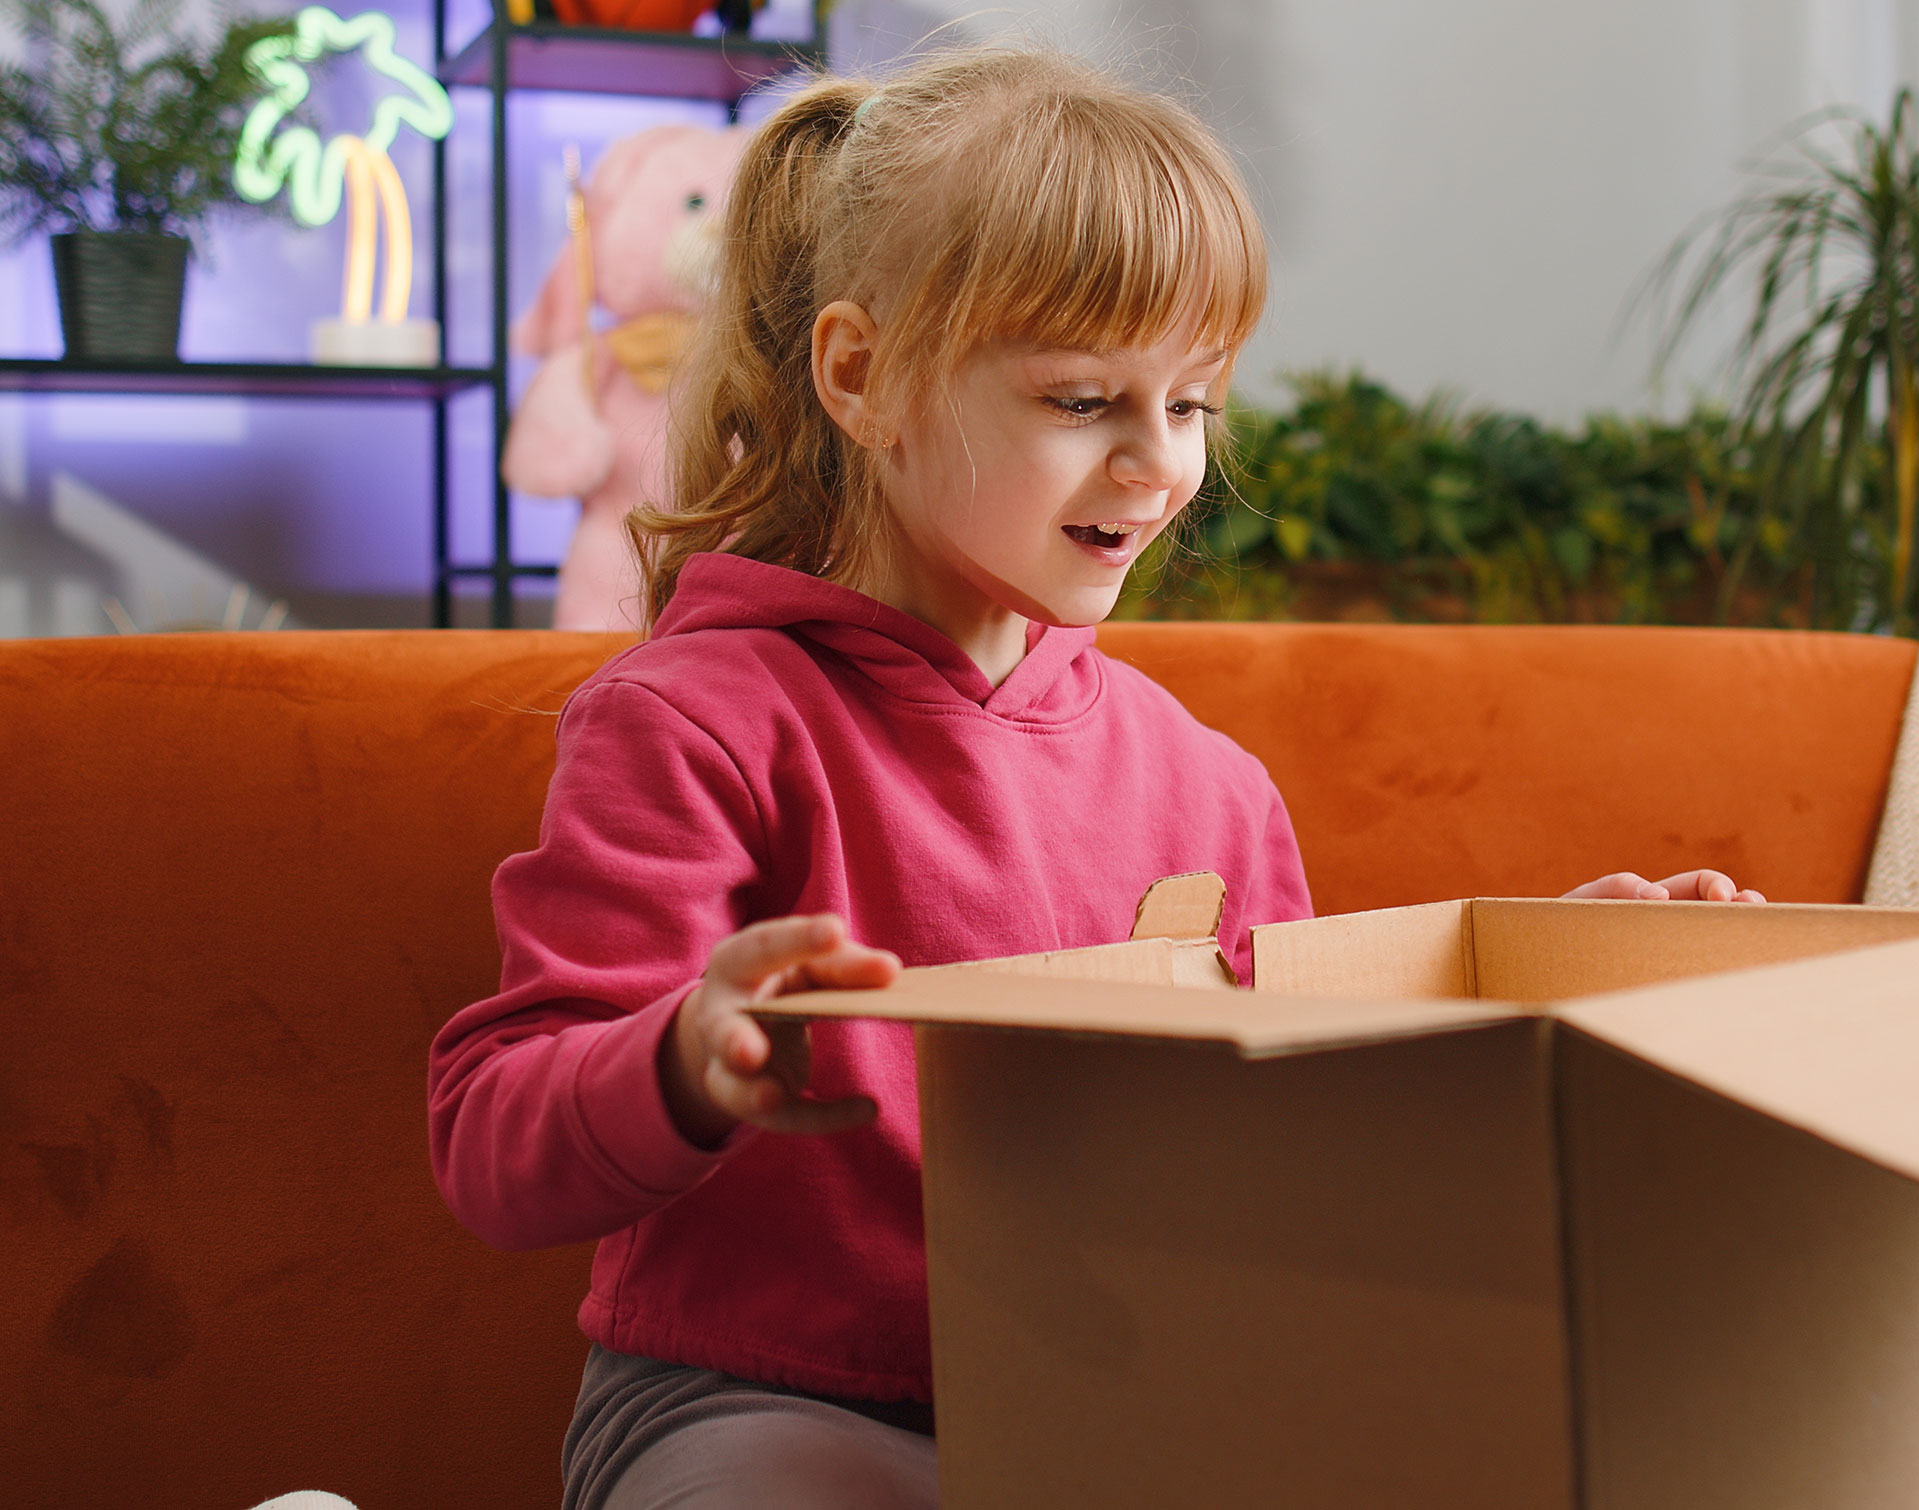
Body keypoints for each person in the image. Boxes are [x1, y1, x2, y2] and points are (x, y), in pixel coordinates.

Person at [427, 47, 1763, 1510]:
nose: (1157, 464)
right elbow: (497, 1144)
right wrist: (684, 1057)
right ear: (861, 377)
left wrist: (1533, 988)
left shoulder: (1207, 783)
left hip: (1120, 1406)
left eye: (1189, 404)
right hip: (766, 1400)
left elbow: (1305, 1130)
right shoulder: (693, 719)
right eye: (1082, 400)